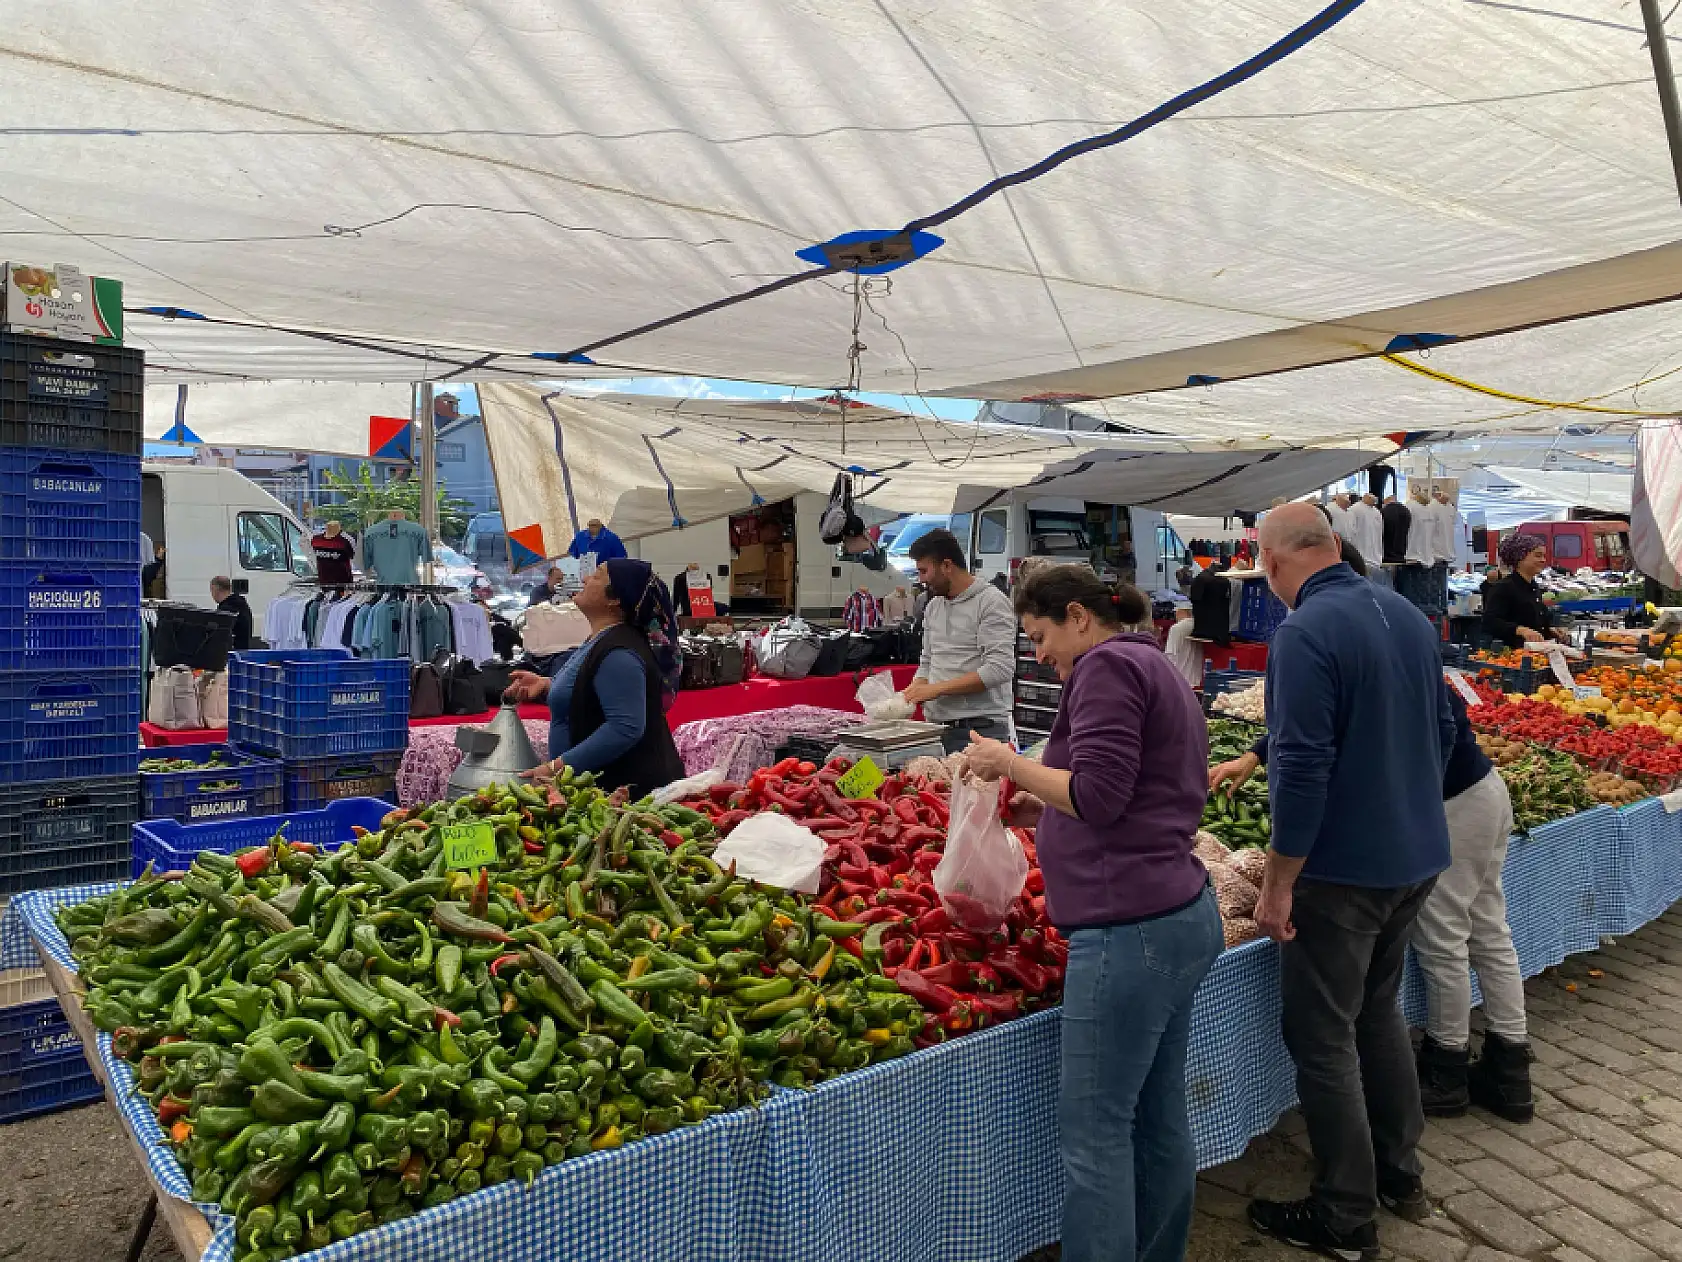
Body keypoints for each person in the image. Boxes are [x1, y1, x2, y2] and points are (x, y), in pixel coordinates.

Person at [964, 567, 1221, 1262]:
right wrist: (1045, 807)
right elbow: (1132, 790)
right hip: (1177, 910)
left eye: (1040, 636)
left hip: (1129, 928)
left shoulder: (1104, 668)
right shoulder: (1152, 662)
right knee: (1158, 1116)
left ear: (1078, 616)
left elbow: (1102, 796)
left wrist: (1009, 764)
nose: (1039, 653)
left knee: (1096, 1134)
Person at [1242, 505, 1454, 1258]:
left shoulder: (1303, 631)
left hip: (1342, 873)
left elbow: (1301, 770)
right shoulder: (1406, 614)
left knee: (1324, 1036)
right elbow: (1445, 729)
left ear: (1269, 562)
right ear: (1335, 545)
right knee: (1377, 1012)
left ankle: (1344, 1215)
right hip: (1416, 856)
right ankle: (1400, 1175)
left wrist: (1278, 884)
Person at [1211, 686, 1533, 1126]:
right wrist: (1257, 753)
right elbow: (1337, 714)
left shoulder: (1390, 666)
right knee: (1488, 926)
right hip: (1481, 791)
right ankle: (1510, 1068)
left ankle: (1447, 1069)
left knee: (1443, 938)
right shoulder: (1402, 659)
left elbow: (1345, 726)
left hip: (1451, 806)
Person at [507, 558, 684, 798]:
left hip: (624, 797)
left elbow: (625, 727)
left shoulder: (619, 652)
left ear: (614, 599)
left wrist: (554, 768)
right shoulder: (601, 639)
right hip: (602, 793)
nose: (585, 579)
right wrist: (546, 684)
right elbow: (592, 688)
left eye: (597, 575)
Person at [901, 529, 1017, 753]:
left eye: (924, 571)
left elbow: (999, 669)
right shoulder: (934, 606)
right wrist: (917, 687)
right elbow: (928, 661)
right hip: (936, 728)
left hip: (978, 730)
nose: (921, 579)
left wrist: (936, 690)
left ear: (947, 565)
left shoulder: (991, 602)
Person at [1483, 534, 1561, 648]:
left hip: (1535, 652)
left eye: (1544, 556)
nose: (1543, 560)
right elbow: (1490, 622)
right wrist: (1520, 630)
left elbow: (1536, 621)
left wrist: (1550, 629)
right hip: (1511, 653)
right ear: (1520, 558)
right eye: (1538, 556)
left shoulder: (1534, 587)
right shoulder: (1503, 587)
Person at [362, 509, 429, 585]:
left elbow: (366, 565)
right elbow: (427, 559)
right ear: (404, 515)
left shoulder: (370, 533)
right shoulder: (419, 531)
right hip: (411, 584)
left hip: (383, 585)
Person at [1162, 605, 1202, 689]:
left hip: (1178, 679)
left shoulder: (1176, 628)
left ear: (1180, 611)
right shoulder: (1198, 626)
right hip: (1195, 679)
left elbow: (1170, 655)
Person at [210, 576, 253, 651]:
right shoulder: (242, 605)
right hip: (243, 650)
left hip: (232, 652)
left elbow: (220, 635)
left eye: (211, 590)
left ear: (215, 589)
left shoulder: (226, 610)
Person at [311, 520, 356, 587]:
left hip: (343, 584)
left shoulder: (347, 540)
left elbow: (353, 558)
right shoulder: (315, 540)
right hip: (323, 583)